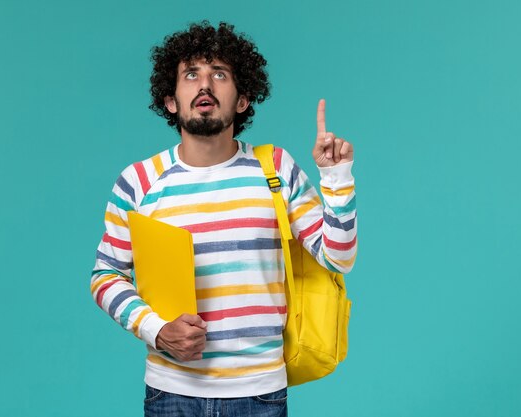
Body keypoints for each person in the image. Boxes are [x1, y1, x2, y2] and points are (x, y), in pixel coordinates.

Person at [91, 21, 357, 417]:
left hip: (261, 394)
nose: (205, 85)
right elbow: (105, 276)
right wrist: (156, 330)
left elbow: (338, 258)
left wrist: (337, 178)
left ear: (242, 100)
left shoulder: (276, 169)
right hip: (170, 393)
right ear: (170, 100)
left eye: (219, 74)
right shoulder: (138, 182)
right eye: (191, 74)